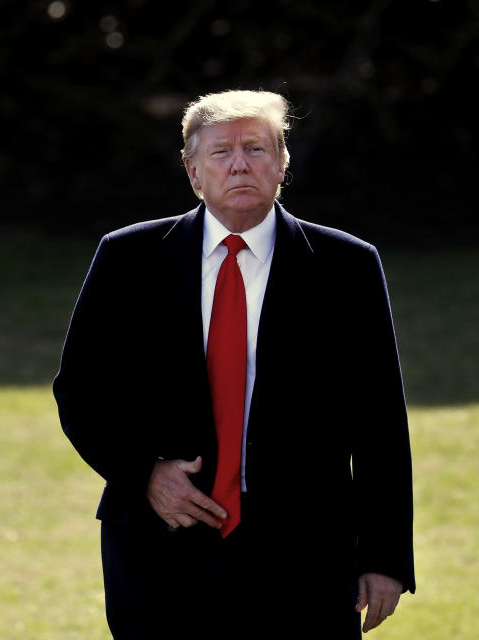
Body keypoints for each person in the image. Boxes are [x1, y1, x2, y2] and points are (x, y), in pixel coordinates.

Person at [53, 89, 414, 640]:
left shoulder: (347, 266)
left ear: (282, 165)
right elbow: (81, 391)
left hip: (305, 555)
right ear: (193, 171)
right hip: (162, 544)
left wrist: (384, 556)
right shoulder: (128, 258)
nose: (240, 163)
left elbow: (380, 420)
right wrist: (144, 473)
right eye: (221, 152)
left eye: (256, 148)